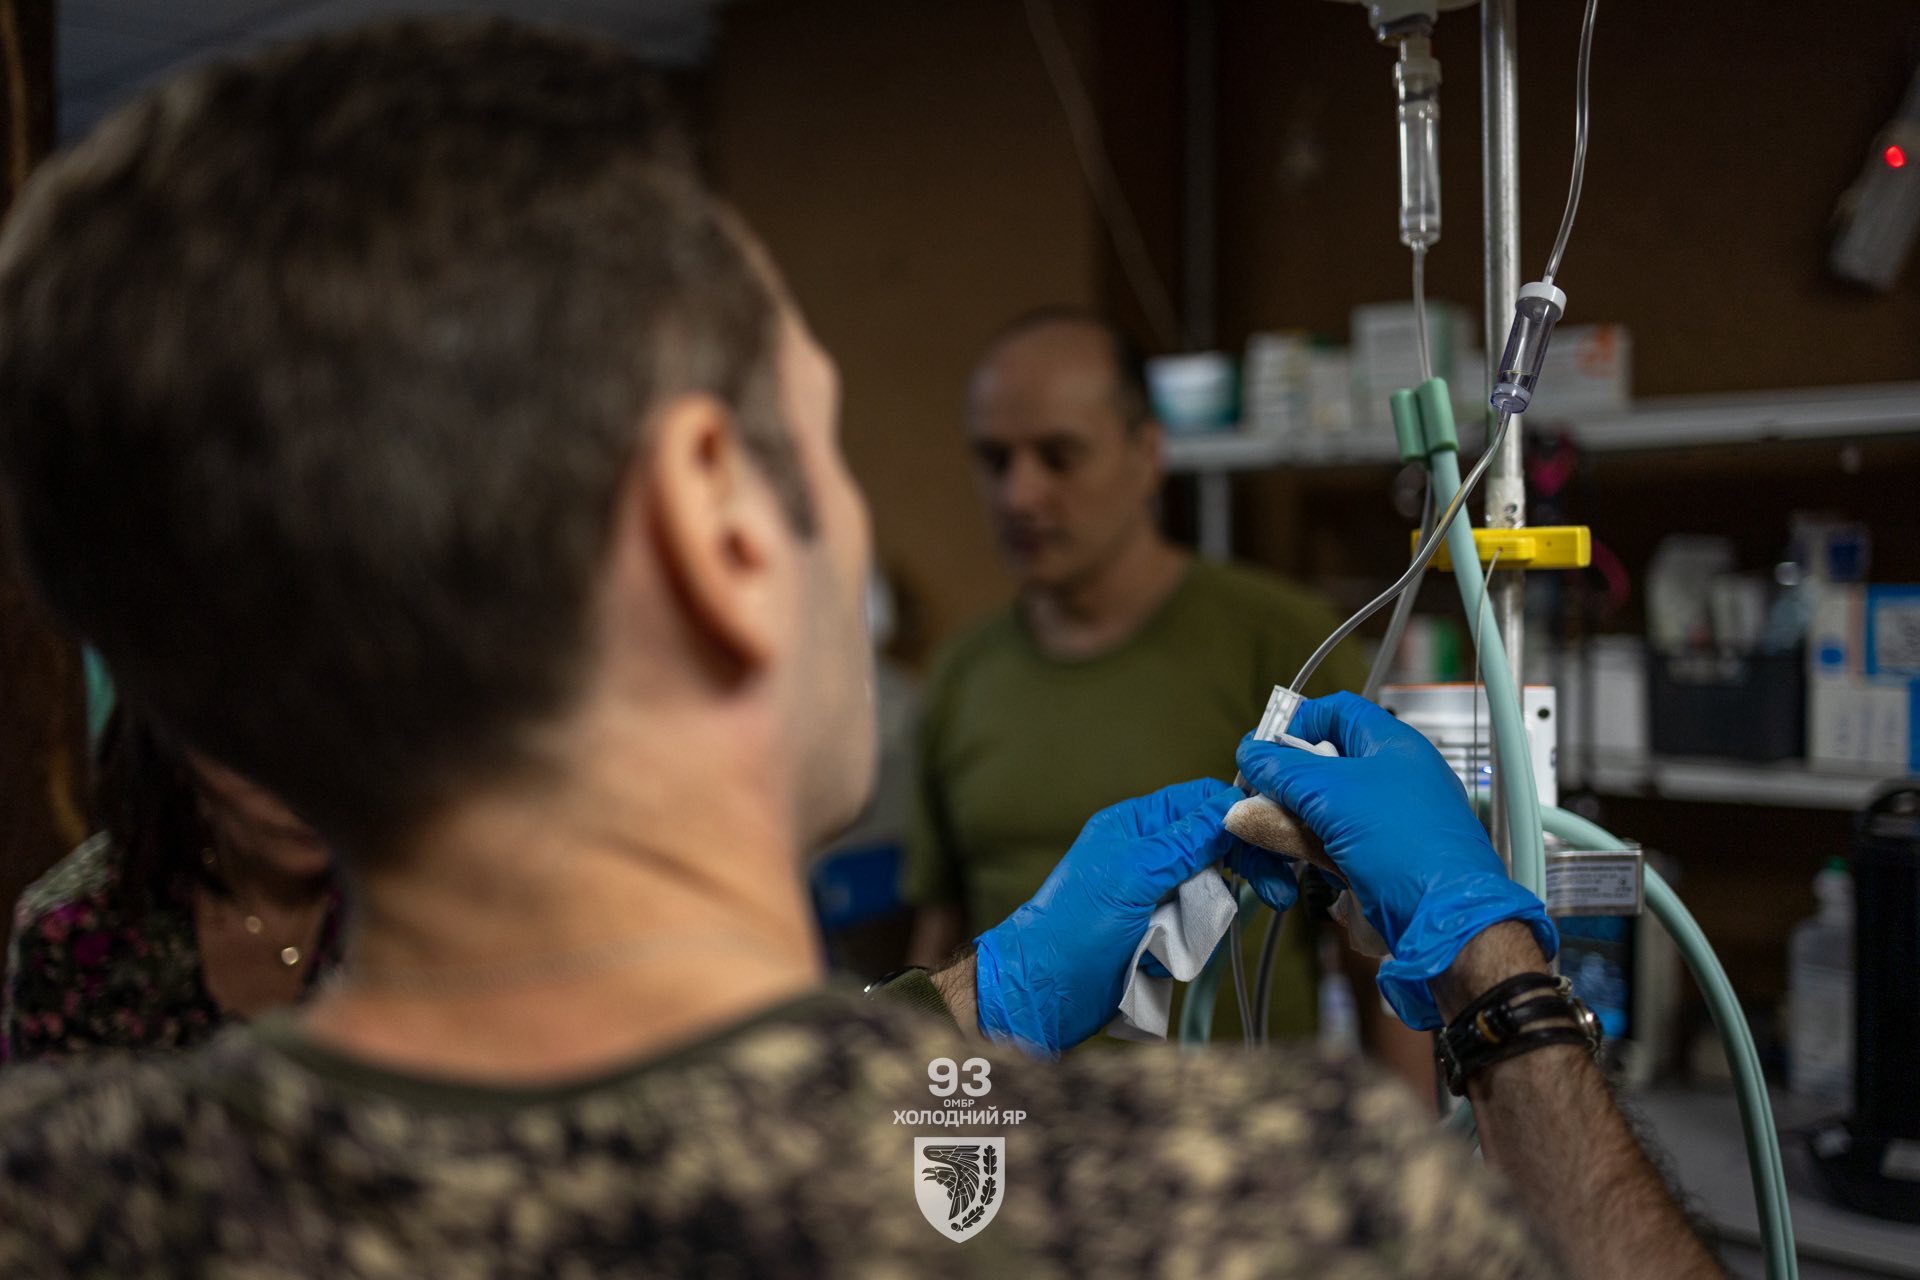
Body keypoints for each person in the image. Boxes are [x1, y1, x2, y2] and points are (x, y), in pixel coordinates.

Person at [0, 21, 1719, 1278]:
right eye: (823, 440)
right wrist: (1506, 993)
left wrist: (980, 1005)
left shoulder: (70, 1200)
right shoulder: (1248, 1215)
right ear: (717, 529)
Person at [904, 311, 1423, 1070]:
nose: (1019, 494)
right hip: (1017, 1129)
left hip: (1243, 1131)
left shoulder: (1284, 645)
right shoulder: (961, 676)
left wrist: (1405, 1136)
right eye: (994, 459)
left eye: (1058, 456)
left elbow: (1378, 945)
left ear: (1147, 453)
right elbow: (937, 931)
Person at [4, 706, 341, 1062]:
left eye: (331, 749)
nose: (304, 795)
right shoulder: (74, 929)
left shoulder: (380, 898)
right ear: (181, 750)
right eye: (261, 754)